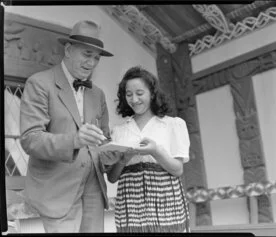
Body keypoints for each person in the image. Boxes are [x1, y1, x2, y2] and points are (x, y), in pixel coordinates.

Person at [20, 20, 113, 233]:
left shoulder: (98, 93)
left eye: (97, 58)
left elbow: (104, 137)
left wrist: (119, 150)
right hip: (57, 191)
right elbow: (30, 139)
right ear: (69, 50)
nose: (92, 63)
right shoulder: (39, 83)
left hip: (94, 191)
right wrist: (75, 140)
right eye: (87, 54)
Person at [104, 66, 190, 232]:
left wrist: (155, 151)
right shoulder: (119, 131)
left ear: (152, 93)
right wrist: (124, 159)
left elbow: (178, 170)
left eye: (139, 93)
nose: (134, 99)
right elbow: (113, 178)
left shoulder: (173, 124)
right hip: (130, 206)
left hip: (167, 205)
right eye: (129, 94)